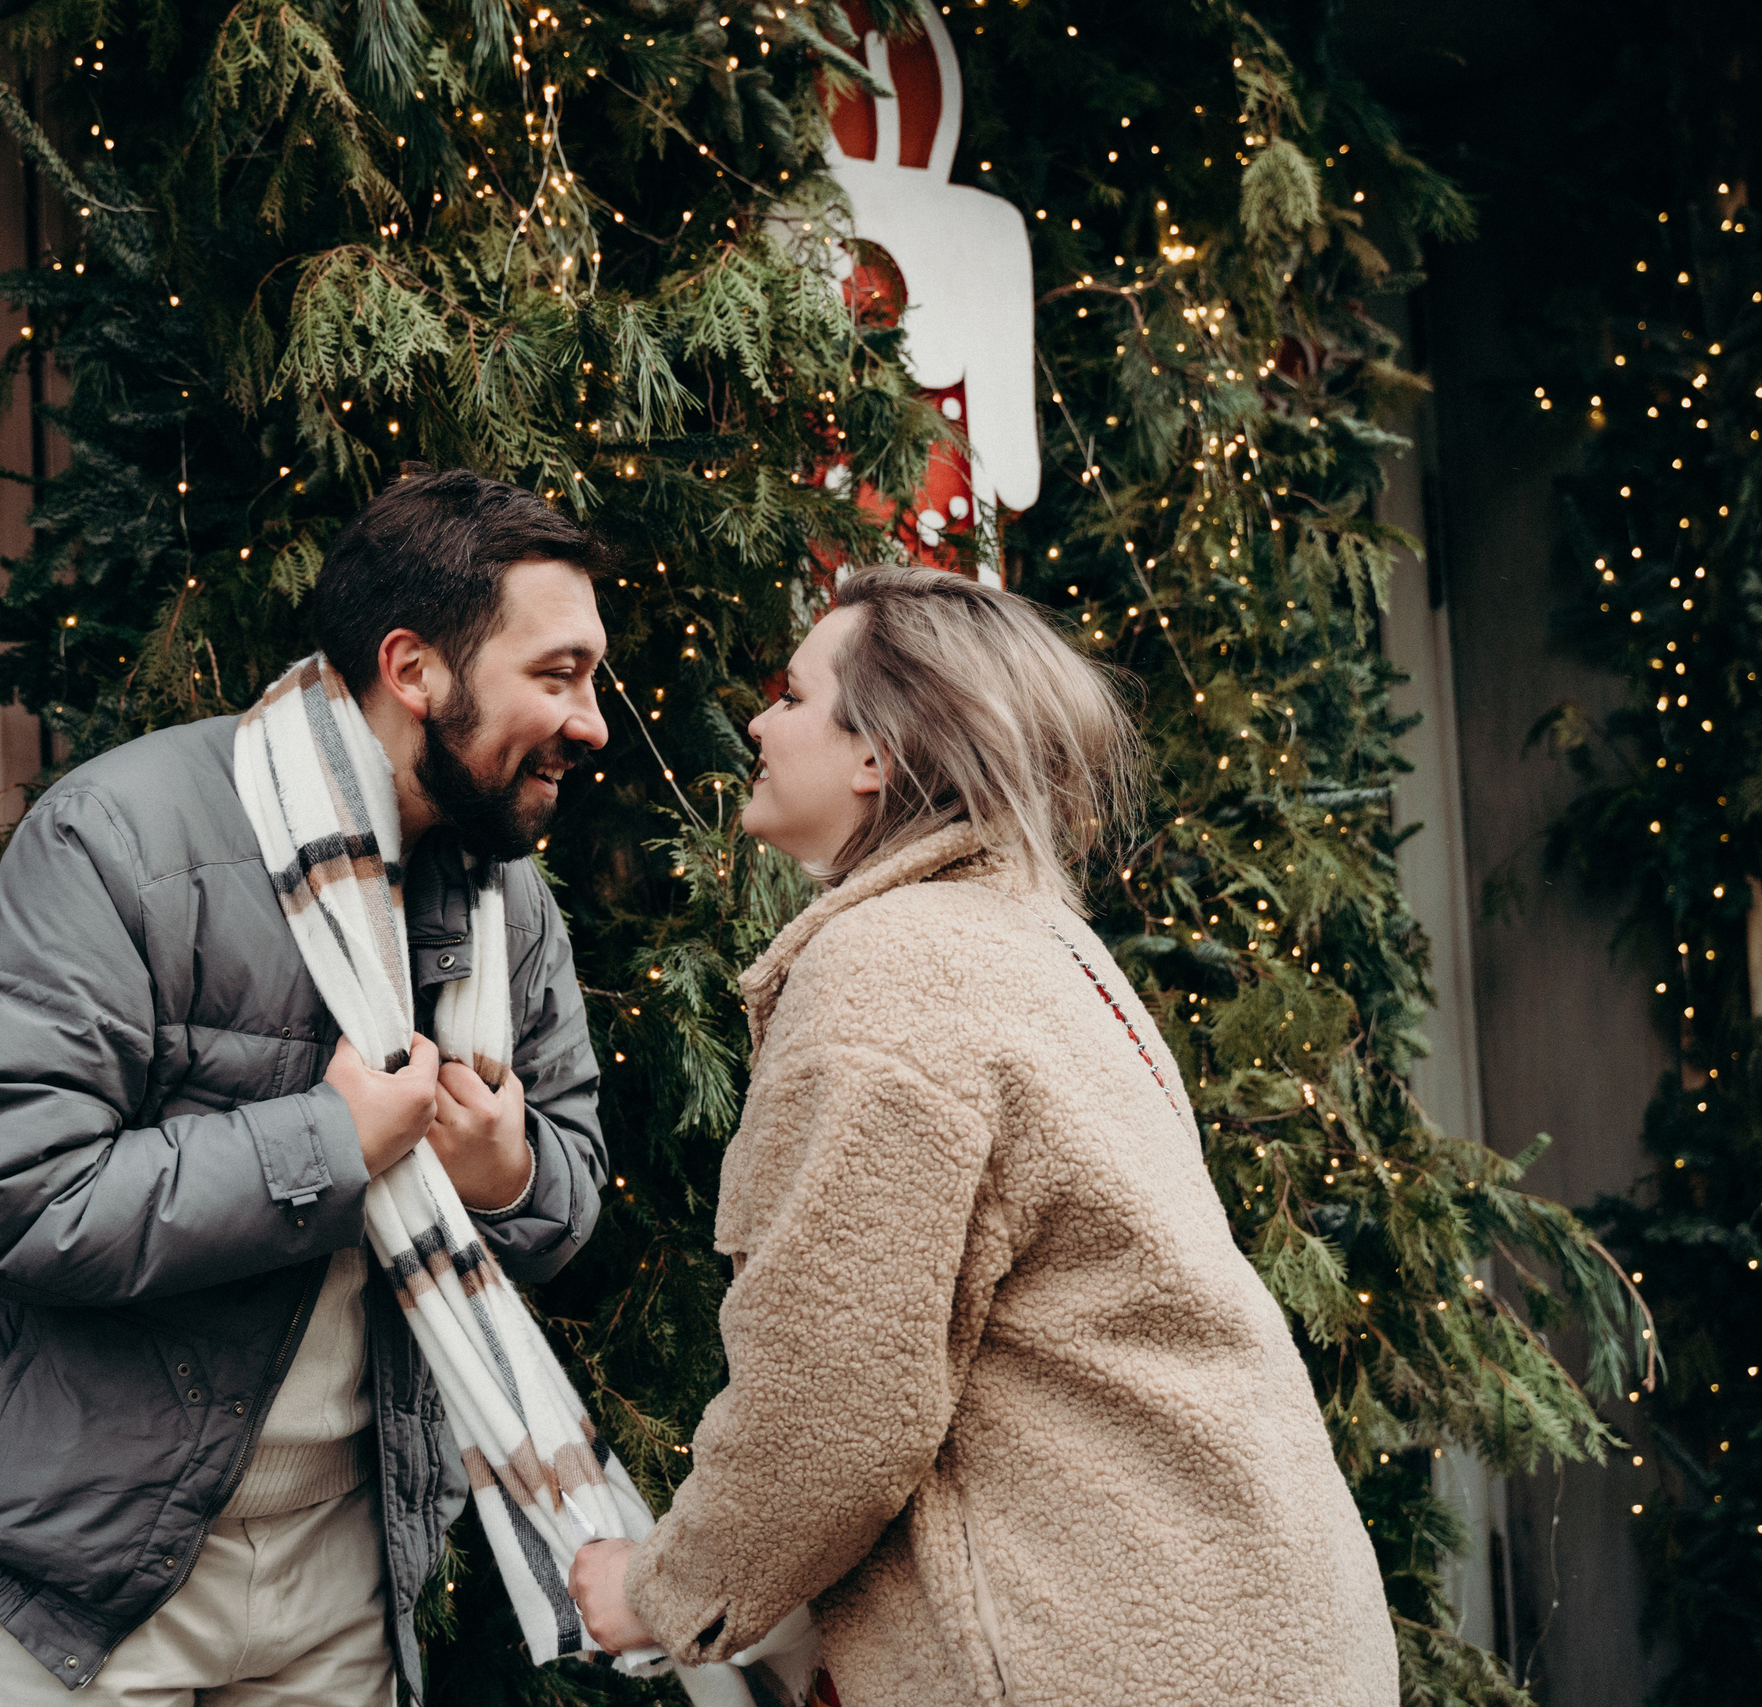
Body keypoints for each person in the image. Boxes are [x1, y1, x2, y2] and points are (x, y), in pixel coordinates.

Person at [567, 567, 1397, 1706]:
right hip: (1251, 1627)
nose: (758, 720)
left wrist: (663, 1589)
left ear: (876, 755)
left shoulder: (888, 974)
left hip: (1104, 1657)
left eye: (793, 695)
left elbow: (835, 1401)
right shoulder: (1037, 944)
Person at [0, 469, 615, 1705]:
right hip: (77, 1566)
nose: (591, 721)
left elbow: (568, 1191)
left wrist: (509, 1171)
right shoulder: (117, 835)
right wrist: (331, 1141)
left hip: (343, 1561)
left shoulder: (501, 898)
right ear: (413, 668)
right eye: (558, 674)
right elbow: (12, 1199)